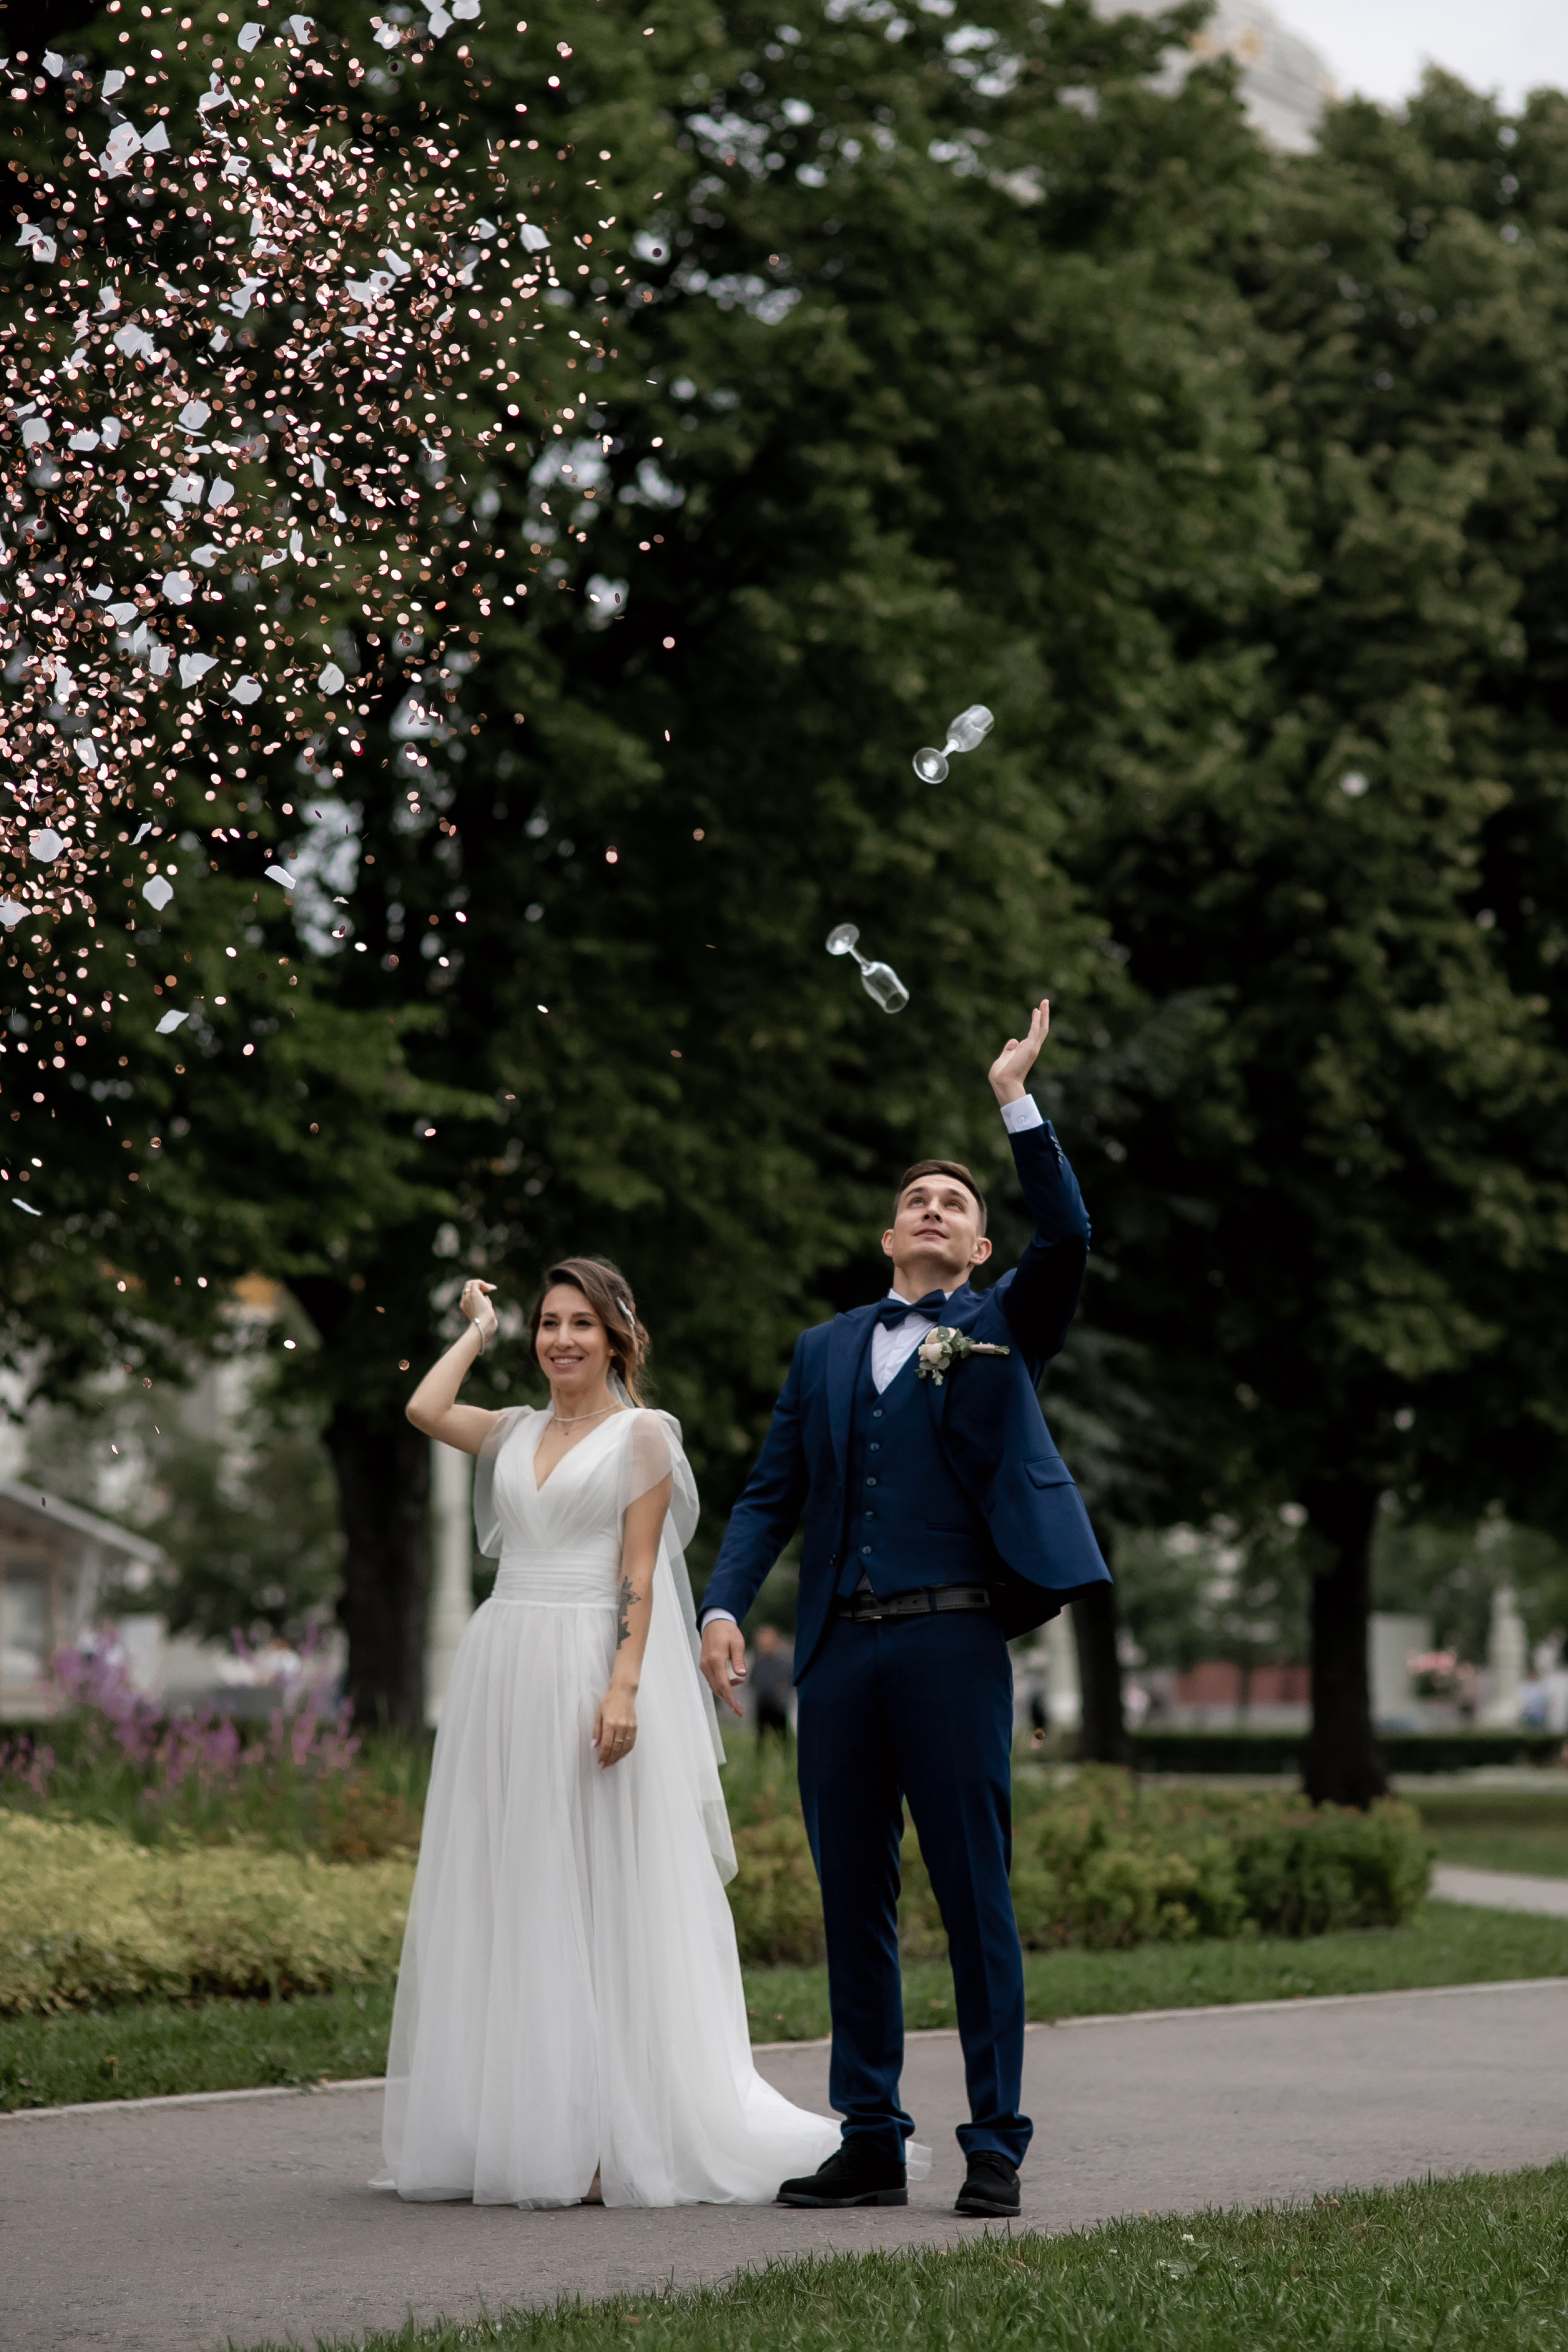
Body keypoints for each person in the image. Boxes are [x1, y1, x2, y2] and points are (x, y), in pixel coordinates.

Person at [699, 1004, 1110, 2219]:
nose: (934, 1208)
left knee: (973, 1893)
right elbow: (767, 1495)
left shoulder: (998, 1325)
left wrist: (1012, 1103)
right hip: (834, 1656)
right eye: (917, 1199)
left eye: (955, 1204)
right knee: (852, 1900)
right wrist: (723, 1604)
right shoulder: (822, 1349)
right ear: (888, 1234)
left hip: (951, 1641)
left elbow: (1074, 1235)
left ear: (979, 1249)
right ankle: (868, 2136)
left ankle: (993, 2141)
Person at [378, 1256, 839, 2207]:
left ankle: (607, 2132)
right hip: (505, 1662)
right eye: (549, 1323)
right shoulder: (510, 1430)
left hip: (591, 1661)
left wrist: (624, 1685)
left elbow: (639, 1570)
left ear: (616, 1336)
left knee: (594, 1887)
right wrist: (476, 1333)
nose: (561, 1339)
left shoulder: (643, 1438)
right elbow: (425, 1411)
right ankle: (526, 2120)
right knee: (518, 1884)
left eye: (581, 1323)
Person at [749, 1623, 793, 1745]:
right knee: (761, 1737)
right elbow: (753, 1680)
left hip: (779, 1704)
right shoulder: (759, 1660)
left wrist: (781, 1695)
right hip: (763, 1703)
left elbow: (789, 1680)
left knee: (783, 1738)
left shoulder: (785, 1660)